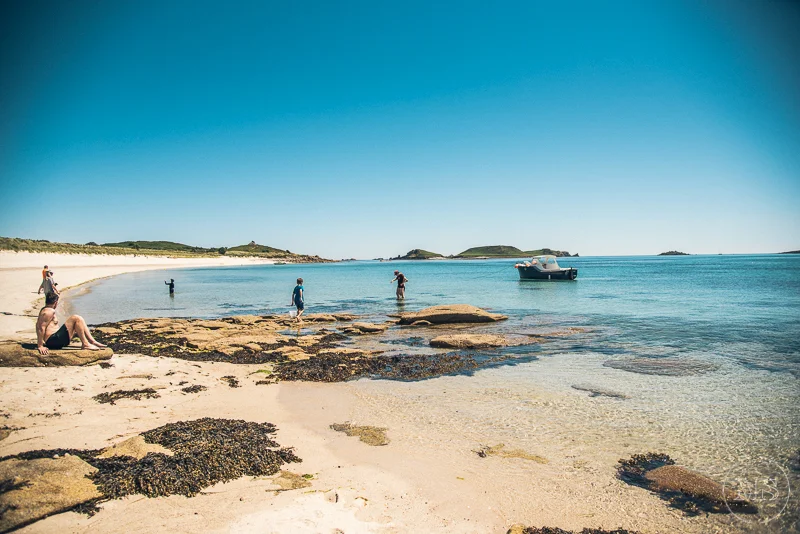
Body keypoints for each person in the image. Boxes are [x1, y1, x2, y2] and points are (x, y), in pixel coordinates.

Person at [36, 293, 107, 355]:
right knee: (76, 318)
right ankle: (85, 344)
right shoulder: (48, 312)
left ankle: (92, 341)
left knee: (80, 319)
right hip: (53, 341)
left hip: (56, 340)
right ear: (55, 302)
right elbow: (40, 328)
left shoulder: (46, 310)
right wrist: (40, 346)